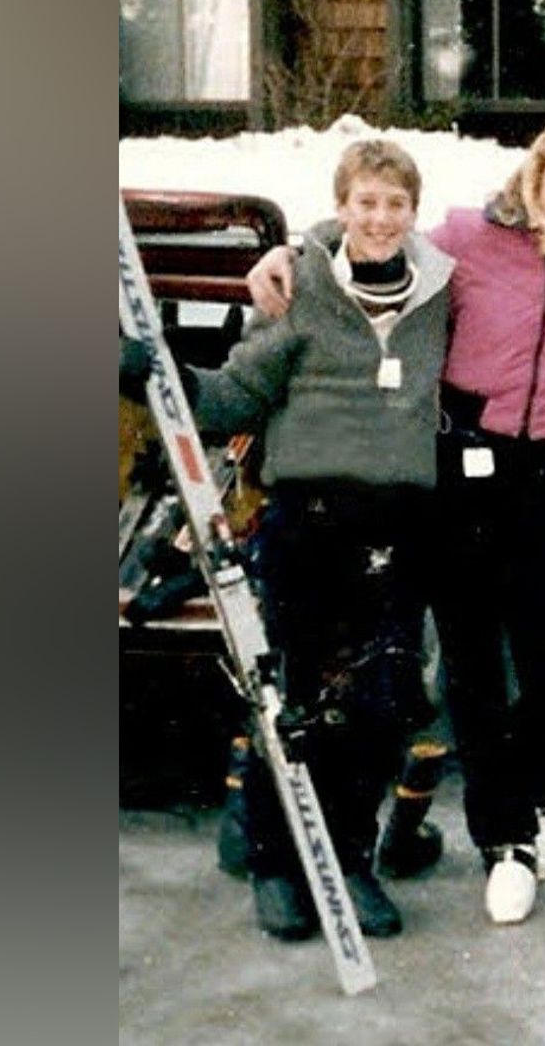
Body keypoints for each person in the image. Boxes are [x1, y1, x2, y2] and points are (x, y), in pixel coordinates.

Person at [247, 115, 545, 924]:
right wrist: (295, 248)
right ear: (534, 175)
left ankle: (539, 799)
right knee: (470, 665)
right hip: (456, 463)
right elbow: (381, 235)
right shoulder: (469, 236)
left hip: (537, 472)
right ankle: (503, 837)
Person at [119, 139, 453, 941]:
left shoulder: (440, 291)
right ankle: (276, 862)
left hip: (399, 524)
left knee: (377, 705)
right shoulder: (302, 289)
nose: (380, 218)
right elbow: (236, 393)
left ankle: (348, 858)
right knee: (293, 700)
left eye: (395, 204)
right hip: (310, 519)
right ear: (342, 206)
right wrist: (152, 375)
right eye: (365, 202)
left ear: (413, 211)